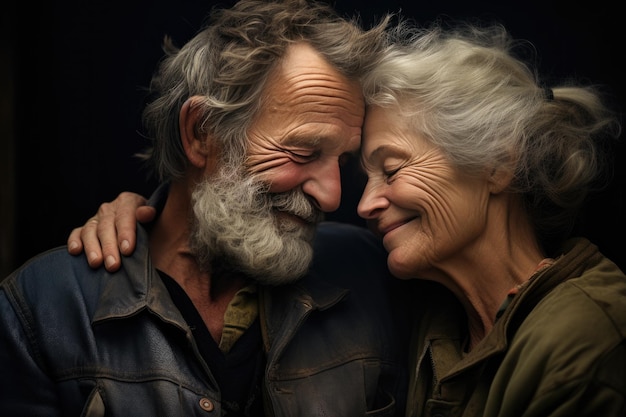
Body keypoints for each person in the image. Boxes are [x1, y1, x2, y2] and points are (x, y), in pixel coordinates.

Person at [74, 21, 626, 416]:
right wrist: (147, 221)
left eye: (391, 167)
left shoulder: (585, 341)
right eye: (365, 173)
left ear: (501, 161)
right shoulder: (431, 310)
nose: (352, 202)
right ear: (202, 137)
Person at [0, 1, 410, 416]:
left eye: (341, 161)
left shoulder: (370, 273)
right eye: (303, 152)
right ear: (201, 134)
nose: (332, 197)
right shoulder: (43, 309)